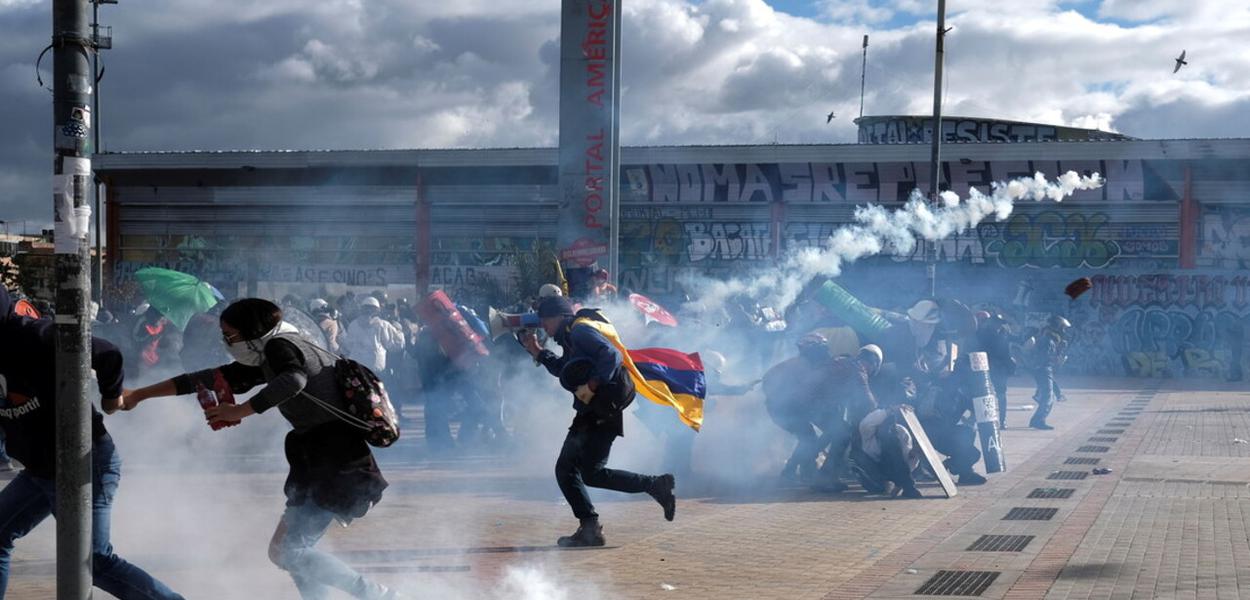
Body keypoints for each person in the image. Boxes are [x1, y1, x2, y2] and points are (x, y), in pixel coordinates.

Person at [119, 298, 403, 600]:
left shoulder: (280, 347)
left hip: (336, 461)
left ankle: (378, 595)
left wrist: (239, 411)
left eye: (231, 335)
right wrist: (140, 394)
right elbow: (209, 379)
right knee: (290, 551)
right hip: (316, 458)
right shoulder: (272, 354)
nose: (227, 342)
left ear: (252, 331)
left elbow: (293, 380)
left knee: (288, 551)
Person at [0, 288, 185, 600]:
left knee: (94, 561)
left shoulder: (35, 335)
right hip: (40, 469)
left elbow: (108, 353)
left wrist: (111, 398)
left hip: (84, 462)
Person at [520, 296, 676, 548]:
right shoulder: (571, 336)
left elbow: (611, 355)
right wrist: (537, 351)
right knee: (591, 473)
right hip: (598, 410)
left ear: (559, 317)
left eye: (545, 320)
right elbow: (565, 369)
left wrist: (593, 383)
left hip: (599, 409)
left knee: (567, 469)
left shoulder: (580, 331)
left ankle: (591, 527)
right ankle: (654, 485)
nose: (543, 325)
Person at [1026, 315, 1070, 430]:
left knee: (1048, 394)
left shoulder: (1047, 338)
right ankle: (1038, 420)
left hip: (1043, 369)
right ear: (1057, 328)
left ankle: (1037, 419)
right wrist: (1058, 358)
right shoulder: (1048, 340)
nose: (1064, 331)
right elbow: (1045, 358)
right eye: (1062, 328)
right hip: (1043, 369)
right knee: (1048, 397)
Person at [343, 296, 405, 374]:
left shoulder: (353, 325)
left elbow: (348, 346)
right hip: (376, 369)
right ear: (377, 310)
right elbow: (394, 345)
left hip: (357, 368)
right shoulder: (383, 325)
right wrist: (400, 332)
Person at [975, 312, 1015, 428]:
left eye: (1000, 323)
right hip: (986, 366)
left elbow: (1008, 350)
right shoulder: (982, 334)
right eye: (996, 322)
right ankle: (986, 421)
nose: (998, 325)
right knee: (984, 394)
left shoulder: (1005, 333)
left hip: (1001, 368)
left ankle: (1002, 421)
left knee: (1001, 395)